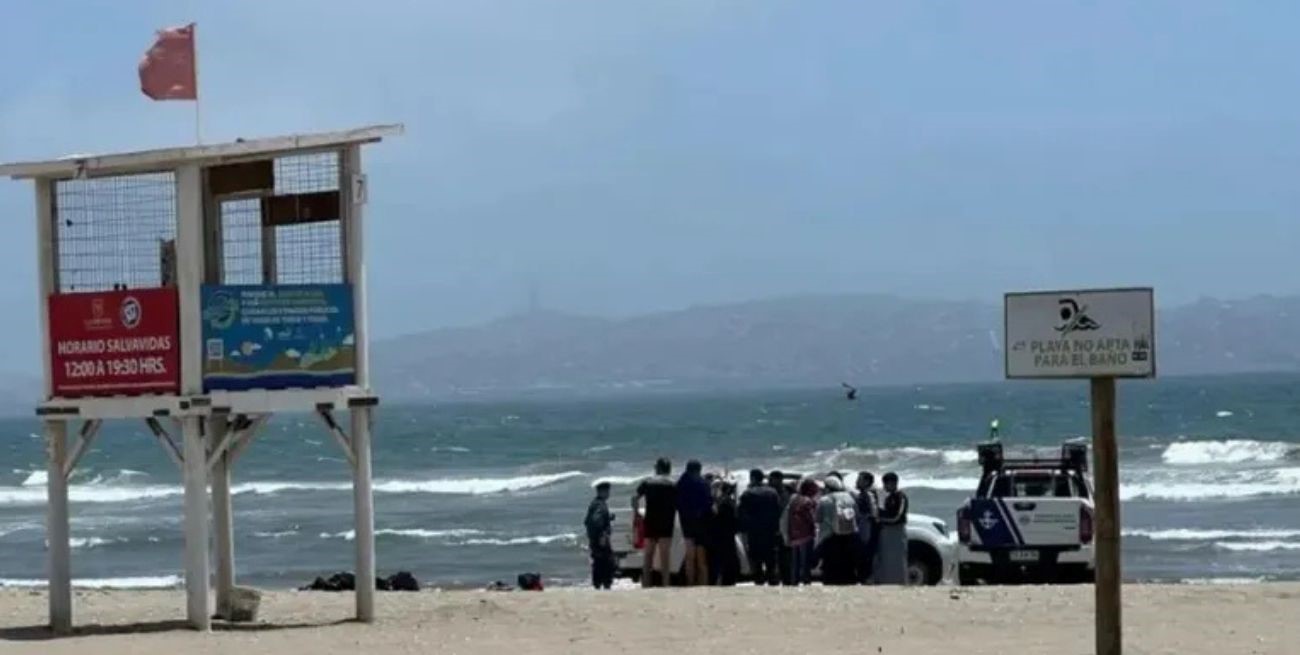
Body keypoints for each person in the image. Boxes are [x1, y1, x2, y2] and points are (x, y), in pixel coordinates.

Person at [633, 458, 677, 587]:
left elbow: (635, 498)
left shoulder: (647, 482)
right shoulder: (673, 484)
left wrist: (636, 512)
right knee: (665, 557)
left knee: (648, 557)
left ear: (657, 468)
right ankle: (665, 585)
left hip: (651, 521)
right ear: (669, 469)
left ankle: (646, 585)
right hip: (667, 522)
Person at [738, 469, 781, 585]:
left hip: (754, 532)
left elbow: (741, 514)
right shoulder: (772, 492)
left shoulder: (747, 494)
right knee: (771, 559)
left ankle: (759, 582)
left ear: (752, 478)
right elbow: (778, 511)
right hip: (770, 531)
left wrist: (743, 529)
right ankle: (772, 580)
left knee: (756, 560)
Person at [816, 475, 859, 585]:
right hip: (848, 535)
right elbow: (856, 515)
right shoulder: (849, 498)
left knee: (830, 565)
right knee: (847, 563)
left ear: (827, 487)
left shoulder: (824, 500)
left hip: (829, 536)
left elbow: (818, 518)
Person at [676, 460, 712, 586]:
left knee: (690, 557)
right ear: (698, 470)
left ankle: (691, 583)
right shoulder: (703, 483)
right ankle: (703, 583)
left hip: (686, 523)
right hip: (701, 523)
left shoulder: (681, 483)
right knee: (702, 559)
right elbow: (708, 503)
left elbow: (677, 502)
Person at [875, 471, 910, 585]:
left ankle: (900, 582)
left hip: (897, 531)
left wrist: (882, 520)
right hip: (888, 532)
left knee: (898, 559)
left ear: (892, 483)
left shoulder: (901, 497)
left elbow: (897, 516)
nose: (884, 487)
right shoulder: (889, 498)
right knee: (888, 559)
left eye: (886, 484)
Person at [785, 477, 819, 585]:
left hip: (794, 535)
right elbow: (812, 518)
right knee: (805, 562)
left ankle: (794, 582)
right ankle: (806, 581)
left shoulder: (794, 499)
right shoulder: (808, 501)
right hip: (806, 535)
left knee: (795, 562)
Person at [708, 480, 741, 586]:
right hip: (729, 535)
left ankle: (724, 579)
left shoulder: (723, 503)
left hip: (722, 535)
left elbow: (718, 518)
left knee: (723, 559)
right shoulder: (731, 502)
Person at [585, 481, 616, 589]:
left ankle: (598, 585)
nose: (608, 494)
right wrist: (602, 535)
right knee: (607, 563)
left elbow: (588, 521)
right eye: (607, 491)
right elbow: (596, 520)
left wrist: (608, 517)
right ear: (602, 492)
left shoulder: (595, 503)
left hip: (595, 540)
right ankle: (605, 586)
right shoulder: (600, 505)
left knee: (599, 563)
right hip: (600, 540)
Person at [853, 471, 880, 584]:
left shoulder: (868, 495)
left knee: (865, 556)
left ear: (866, 482)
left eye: (860, 479)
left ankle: (866, 579)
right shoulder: (864, 494)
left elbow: (873, 514)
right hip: (864, 528)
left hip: (866, 529)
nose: (857, 482)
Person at [769, 470, 794, 585]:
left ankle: (786, 580)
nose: (770, 482)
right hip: (775, 529)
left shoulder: (785, 494)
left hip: (784, 529)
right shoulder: (773, 493)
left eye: (771, 479)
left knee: (785, 558)